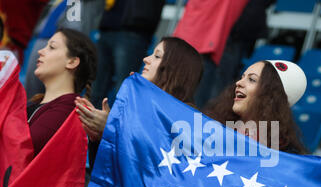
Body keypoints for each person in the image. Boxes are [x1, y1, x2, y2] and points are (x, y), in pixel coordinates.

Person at [75, 36, 204, 168]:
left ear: (174, 69)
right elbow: (107, 173)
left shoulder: (186, 125)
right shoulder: (141, 105)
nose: (146, 59)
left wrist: (111, 129)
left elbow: (152, 171)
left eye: (157, 56)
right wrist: (99, 138)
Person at [204, 60, 308, 154]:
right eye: (242, 77)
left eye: (252, 80)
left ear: (271, 96)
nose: (238, 83)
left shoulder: (284, 155)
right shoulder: (211, 127)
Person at [26, 28, 97, 156]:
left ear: (72, 62)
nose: (40, 51)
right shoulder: (34, 105)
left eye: (51, 47)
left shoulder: (69, 109)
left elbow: (22, 148)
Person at [90, 0, 165, 109]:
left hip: (135, 29)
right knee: (95, 90)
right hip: (108, 26)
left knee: (123, 91)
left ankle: (117, 125)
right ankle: (87, 125)